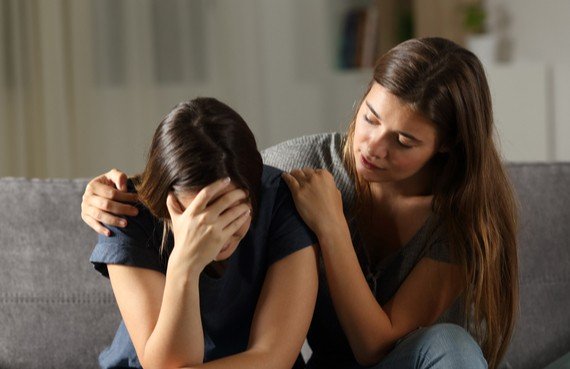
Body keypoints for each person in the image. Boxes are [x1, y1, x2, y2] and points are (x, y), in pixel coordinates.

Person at [81, 38, 518, 369]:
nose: (373, 147)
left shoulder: (464, 222)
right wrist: (101, 194)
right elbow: (218, 167)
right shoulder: (298, 167)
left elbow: (375, 348)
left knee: (451, 344)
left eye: (404, 141)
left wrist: (331, 227)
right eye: (369, 117)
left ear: (445, 146)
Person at [86, 97, 318, 369]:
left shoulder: (280, 200)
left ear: (253, 194)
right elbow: (167, 364)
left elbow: (273, 358)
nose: (216, 233)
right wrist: (185, 263)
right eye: (198, 216)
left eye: (231, 214)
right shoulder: (125, 212)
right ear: (167, 201)